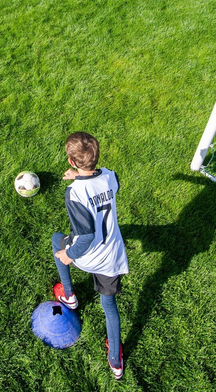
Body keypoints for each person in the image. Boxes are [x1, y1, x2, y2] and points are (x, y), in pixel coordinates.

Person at [52, 132, 129, 380]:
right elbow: (106, 183)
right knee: (109, 306)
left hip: (87, 255)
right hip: (112, 257)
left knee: (57, 240)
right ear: (96, 157)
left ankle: (70, 295)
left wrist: (69, 254)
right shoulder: (110, 176)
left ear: (72, 162)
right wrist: (82, 176)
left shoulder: (74, 193)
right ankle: (116, 362)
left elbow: (85, 236)